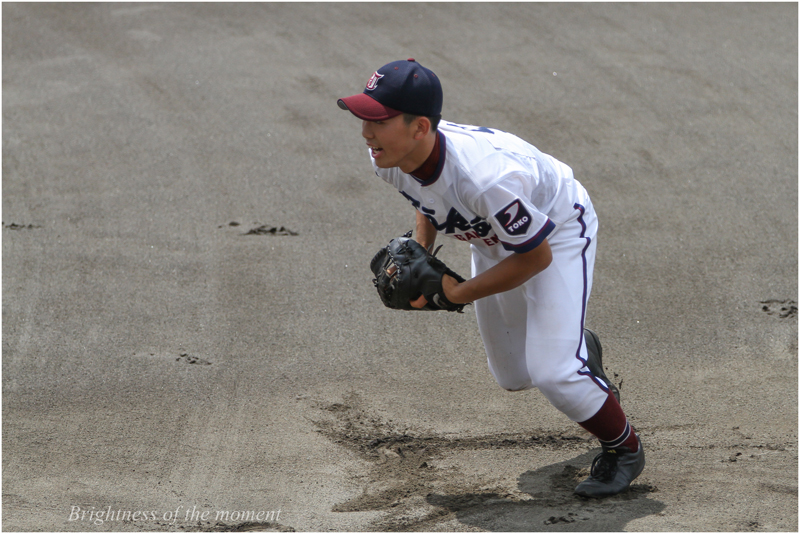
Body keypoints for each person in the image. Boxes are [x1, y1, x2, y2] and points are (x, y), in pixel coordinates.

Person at [337, 58, 644, 498]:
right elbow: (426, 202)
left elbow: (535, 257)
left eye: (378, 120)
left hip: (555, 233)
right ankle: (581, 347)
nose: (366, 131)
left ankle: (624, 449)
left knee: (554, 373)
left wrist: (456, 291)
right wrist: (420, 253)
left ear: (420, 128)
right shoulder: (387, 158)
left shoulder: (486, 179)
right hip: (494, 237)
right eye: (364, 117)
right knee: (515, 375)